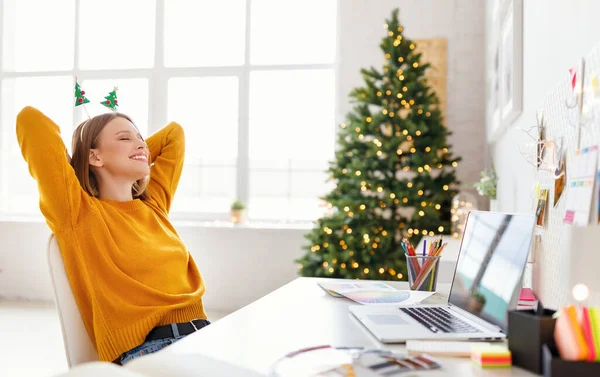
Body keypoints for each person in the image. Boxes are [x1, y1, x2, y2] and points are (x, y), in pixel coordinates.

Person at [16, 106, 209, 365]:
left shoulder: (154, 205)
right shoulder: (78, 214)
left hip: (204, 336)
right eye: (124, 138)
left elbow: (174, 135)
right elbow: (30, 120)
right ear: (94, 157)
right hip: (150, 351)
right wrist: (85, 158)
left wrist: (133, 152)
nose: (140, 144)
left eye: (141, 138)